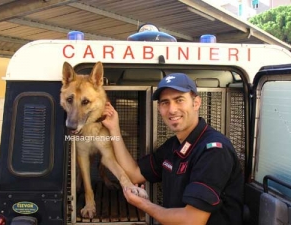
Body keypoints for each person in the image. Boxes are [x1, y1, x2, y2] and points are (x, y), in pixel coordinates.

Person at [102, 73, 244, 225]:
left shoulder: (214, 150)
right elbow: (135, 174)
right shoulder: (174, 145)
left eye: (179, 100)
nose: (172, 109)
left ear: (196, 103)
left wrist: (144, 205)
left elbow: (192, 221)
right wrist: (114, 129)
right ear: (159, 108)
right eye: (165, 102)